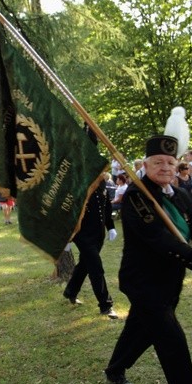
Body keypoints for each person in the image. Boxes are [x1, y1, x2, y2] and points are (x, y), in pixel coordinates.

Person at [104, 107, 192, 384]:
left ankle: (115, 369)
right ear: (146, 164)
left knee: (141, 329)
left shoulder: (182, 194)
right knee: (172, 341)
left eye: (171, 162)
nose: (165, 167)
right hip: (143, 281)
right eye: (158, 162)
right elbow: (159, 239)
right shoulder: (136, 195)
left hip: (170, 281)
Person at [63, 126, 118, 319]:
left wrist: (110, 226)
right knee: (95, 266)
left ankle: (70, 291)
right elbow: (68, 207)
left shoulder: (100, 176)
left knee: (85, 264)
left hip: (98, 232)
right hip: (81, 232)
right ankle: (106, 305)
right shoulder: (74, 176)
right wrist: (68, 235)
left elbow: (106, 203)